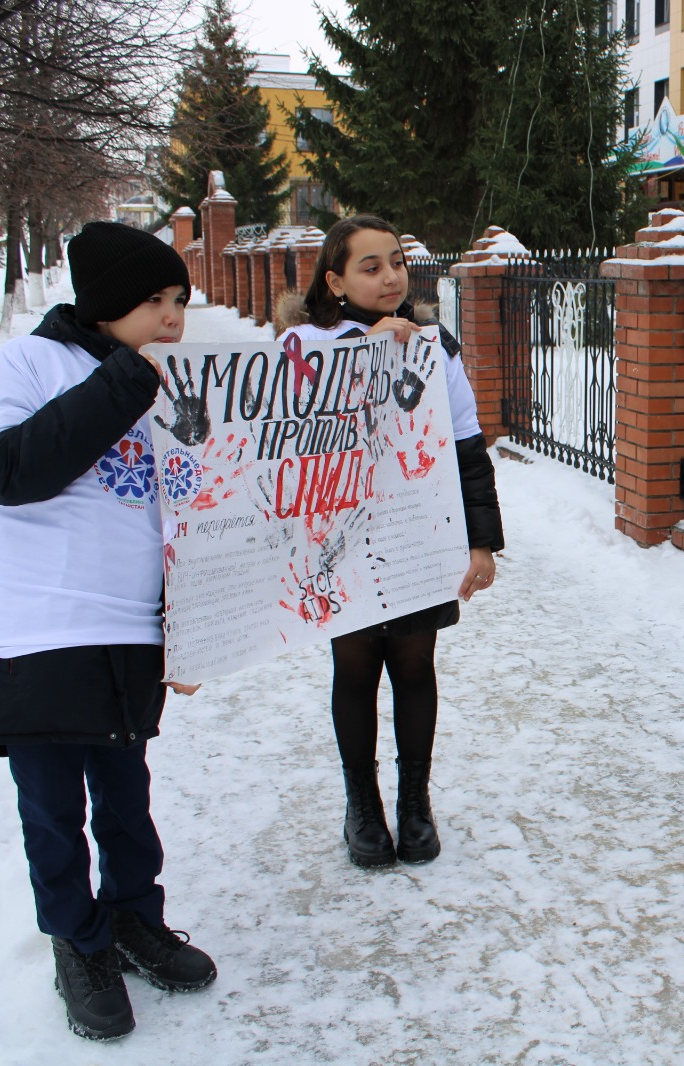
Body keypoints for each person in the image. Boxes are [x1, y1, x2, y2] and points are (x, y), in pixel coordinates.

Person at [0, 221, 217, 1041]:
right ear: (106, 303)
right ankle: (79, 942)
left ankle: (136, 918)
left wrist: (195, 626)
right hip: (40, 625)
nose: (174, 316)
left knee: (126, 796)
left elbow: (189, 504)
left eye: (179, 299)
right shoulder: (28, 364)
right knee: (50, 807)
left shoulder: (169, 378)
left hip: (127, 626)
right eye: (154, 300)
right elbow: (7, 473)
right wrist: (122, 385)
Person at [276, 215, 504, 868]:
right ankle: (362, 806)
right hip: (338, 540)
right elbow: (295, 438)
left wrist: (480, 542)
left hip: (418, 537)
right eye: (370, 266)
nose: (389, 276)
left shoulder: (437, 347)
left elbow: (466, 445)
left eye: (396, 263)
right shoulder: (304, 347)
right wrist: (366, 351)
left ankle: (413, 803)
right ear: (335, 280)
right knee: (354, 668)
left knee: (412, 666)